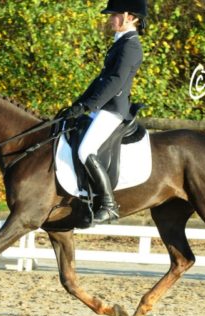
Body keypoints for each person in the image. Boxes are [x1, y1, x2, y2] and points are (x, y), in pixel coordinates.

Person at [63, 0, 147, 223]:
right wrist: (78, 104)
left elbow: (115, 82)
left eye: (115, 14)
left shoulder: (131, 45)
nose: (111, 19)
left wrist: (89, 105)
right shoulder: (120, 42)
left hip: (113, 109)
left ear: (130, 16)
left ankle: (109, 205)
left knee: (85, 150)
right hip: (103, 107)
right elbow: (100, 80)